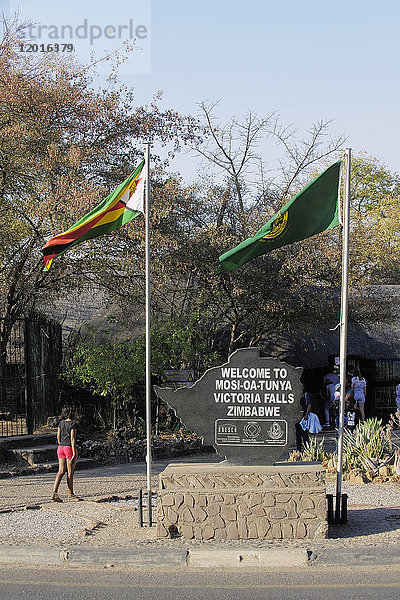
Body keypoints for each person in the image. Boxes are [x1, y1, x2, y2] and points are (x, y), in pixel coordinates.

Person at [51, 404, 80, 502]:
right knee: (70, 473)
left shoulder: (60, 423)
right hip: (68, 448)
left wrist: (61, 445)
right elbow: (72, 439)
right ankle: (70, 494)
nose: (76, 413)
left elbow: (58, 437)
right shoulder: (73, 424)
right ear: (71, 412)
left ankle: (54, 492)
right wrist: (74, 452)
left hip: (61, 447)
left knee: (61, 471)